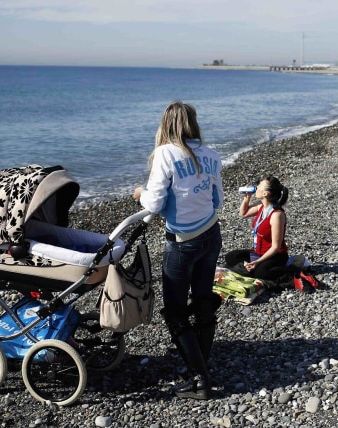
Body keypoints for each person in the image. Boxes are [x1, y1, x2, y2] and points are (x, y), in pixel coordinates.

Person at [132, 101, 223, 400]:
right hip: (211, 234)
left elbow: (153, 205)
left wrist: (139, 195)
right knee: (202, 300)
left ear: (166, 124)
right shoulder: (211, 155)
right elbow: (218, 199)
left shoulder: (165, 153)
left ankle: (200, 379)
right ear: (193, 123)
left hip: (183, 242)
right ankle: (200, 363)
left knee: (175, 310)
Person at [224, 175, 290, 281]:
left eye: (259, 186)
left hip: (275, 255)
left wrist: (257, 262)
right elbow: (243, 213)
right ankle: (252, 267)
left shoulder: (276, 215)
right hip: (258, 252)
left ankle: (288, 270)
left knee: (261, 273)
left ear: (265, 193)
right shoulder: (261, 206)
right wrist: (247, 197)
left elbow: (275, 247)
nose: (256, 188)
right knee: (231, 257)